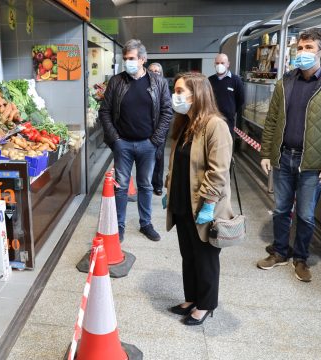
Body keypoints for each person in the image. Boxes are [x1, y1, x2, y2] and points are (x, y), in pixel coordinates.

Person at [257, 28, 321, 282]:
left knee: (306, 214)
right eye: (300, 48)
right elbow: (273, 120)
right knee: (280, 208)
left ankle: (300, 257)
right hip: (284, 156)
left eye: (309, 48)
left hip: (312, 162)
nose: (303, 52)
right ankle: (279, 252)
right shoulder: (285, 82)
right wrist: (267, 152)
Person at [165, 72, 233, 326]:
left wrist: (209, 204)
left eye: (180, 91)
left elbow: (218, 170)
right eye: (176, 90)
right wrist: (168, 189)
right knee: (189, 254)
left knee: (205, 256)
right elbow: (177, 162)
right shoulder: (185, 122)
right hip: (183, 202)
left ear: (198, 94)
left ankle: (205, 304)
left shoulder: (215, 125)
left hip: (204, 205)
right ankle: (191, 297)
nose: (176, 96)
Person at [99, 39, 172, 242]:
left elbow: (167, 112)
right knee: (121, 186)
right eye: (125, 59)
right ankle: (119, 226)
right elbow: (104, 111)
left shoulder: (158, 83)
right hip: (122, 144)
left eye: (131, 59)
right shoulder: (116, 81)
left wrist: (155, 140)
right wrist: (115, 139)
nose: (127, 62)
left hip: (148, 144)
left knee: (146, 185)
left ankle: (145, 224)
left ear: (142, 59)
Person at [208, 53, 245, 136]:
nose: (219, 65)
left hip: (228, 121)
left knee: (226, 145)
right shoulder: (210, 80)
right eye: (217, 63)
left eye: (222, 63)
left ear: (228, 64)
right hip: (212, 119)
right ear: (214, 64)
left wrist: (231, 110)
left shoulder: (236, 80)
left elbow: (241, 99)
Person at [147, 62, 168, 196]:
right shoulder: (143, 86)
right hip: (145, 128)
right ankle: (146, 183)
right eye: (152, 71)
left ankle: (158, 185)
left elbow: (167, 110)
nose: (154, 73)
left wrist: (159, 132)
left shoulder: (163, 86)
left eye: (157, 71)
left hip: (160, 128)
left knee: (158, 157)